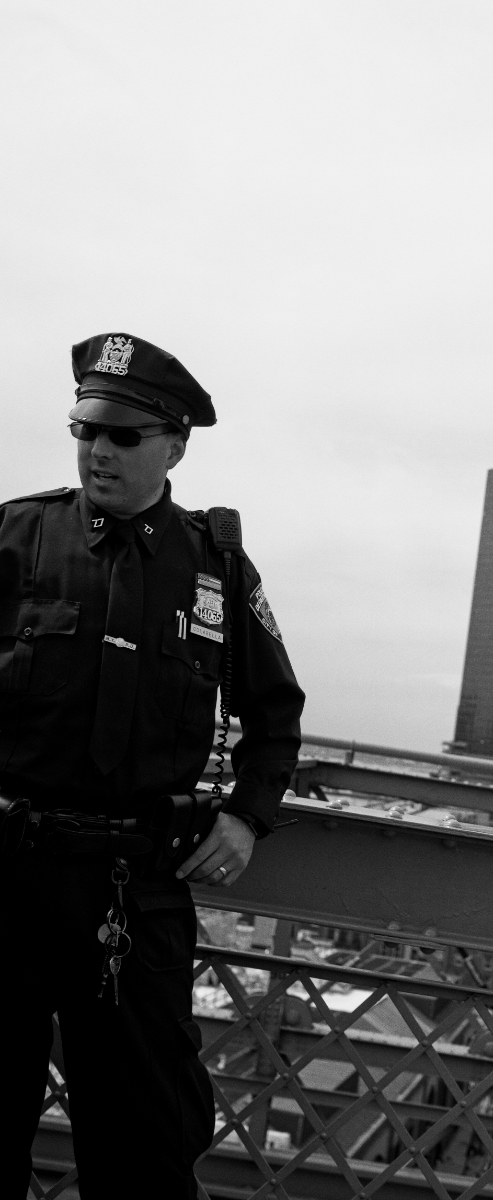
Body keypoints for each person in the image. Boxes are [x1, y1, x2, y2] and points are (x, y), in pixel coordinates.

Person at [0, 333, 305, 1198]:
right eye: (86, 430)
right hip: (8, 874)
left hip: (135, 891)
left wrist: (246, 815)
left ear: (175, 447)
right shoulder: (16, 536)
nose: (99, 450)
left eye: (124, 436)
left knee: (146, 1150)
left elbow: (274, 712)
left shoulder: (215, 567)